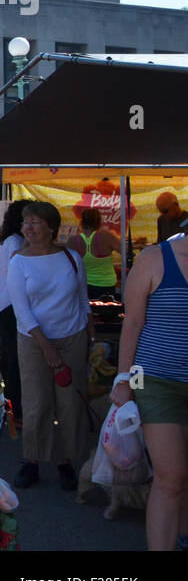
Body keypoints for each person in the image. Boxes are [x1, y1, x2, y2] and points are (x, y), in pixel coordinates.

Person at [6, 201, 90, 491]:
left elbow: (82, 298)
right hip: (33, 339)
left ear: (51, 227)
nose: (28, 228)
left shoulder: (71, 258)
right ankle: (33, 460)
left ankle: (67, 461)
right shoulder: (19, 261)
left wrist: (89, 333)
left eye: (35, 222)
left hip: (72, 335)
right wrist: (47, 348)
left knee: (70, 403)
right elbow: (22, 310)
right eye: (25, 222)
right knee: (37, 402)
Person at [113, 226, 188, 550]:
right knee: (170, 477)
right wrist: (123, 379)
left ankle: (182, 535)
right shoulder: (155, 258)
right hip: (156, 379)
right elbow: (133, 323)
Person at [0, 200, 31, 425]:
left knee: (10, 359)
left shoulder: (9, 239)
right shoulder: (16, 241)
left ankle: (11, 406)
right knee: (14, 360)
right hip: (11, 305)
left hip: (5, 302)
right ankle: (15, 409)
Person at [68, 208, 121, 299]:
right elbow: (126, 252)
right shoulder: (107, 237)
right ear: (99, 222)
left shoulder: (73, 240)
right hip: (107, 285)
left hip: (83, 285)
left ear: (82, 222)